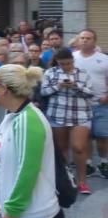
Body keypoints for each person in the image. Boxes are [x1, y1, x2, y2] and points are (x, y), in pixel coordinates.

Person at [0, 64, 63, 218]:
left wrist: (12, 208)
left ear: (4, 88)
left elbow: (27, 169)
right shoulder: (11, 115)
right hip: (19, 217)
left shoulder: (27, 120)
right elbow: (3, 165)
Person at [41, 48, 94, 193]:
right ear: (57, 62)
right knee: (62, 149)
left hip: (80, 115)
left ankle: (82, 181)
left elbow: (91, 93)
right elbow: (43, 92)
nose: (66, 66)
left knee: (78, 147)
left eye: (69, 63)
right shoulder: (50, 73)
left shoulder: (82, 73)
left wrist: (76, 86)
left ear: (73, 60)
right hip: (58, 115)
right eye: (63, 64)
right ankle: (67, 180)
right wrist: (58, 86)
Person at [73, 29, 108, 178]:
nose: (85, 40)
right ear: (78, 40)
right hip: (80, 105)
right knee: (84, 136)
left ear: (94, 41)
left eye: (88, 38)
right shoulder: (72, 58)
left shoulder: (104, 59)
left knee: (103, 136)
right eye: (82, 38)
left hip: (101, 104)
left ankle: (104, 162)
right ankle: (87, 164)